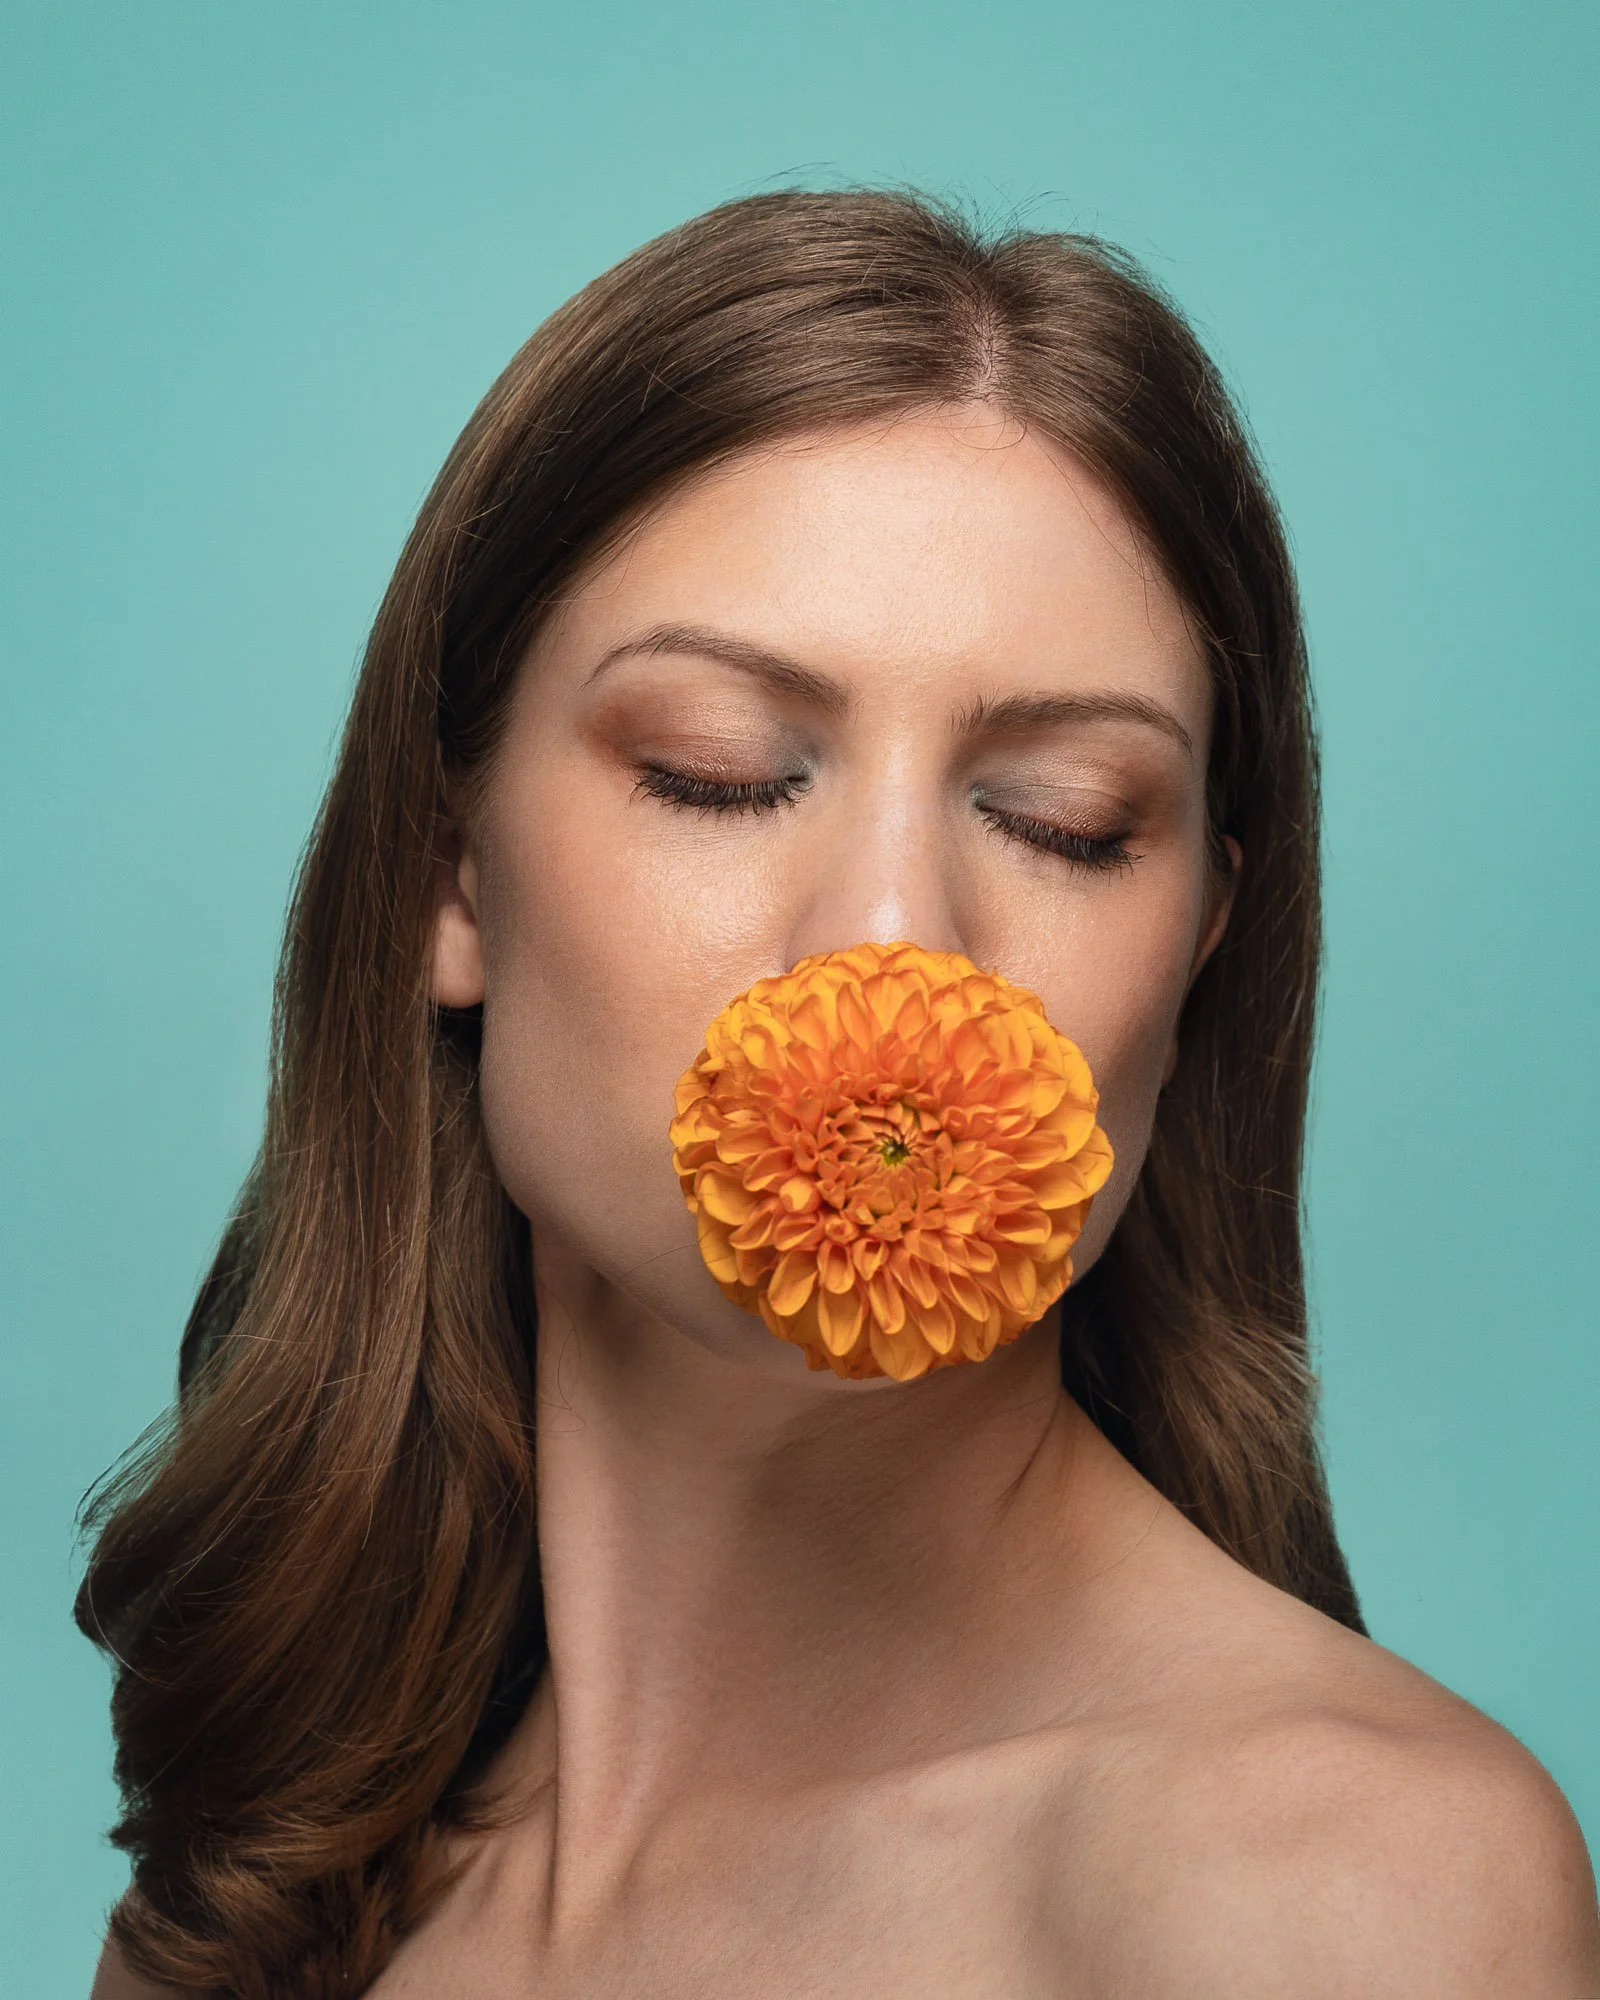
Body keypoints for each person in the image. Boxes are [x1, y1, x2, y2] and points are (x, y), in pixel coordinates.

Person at [84, 190, 1598, 1999]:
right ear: (449, 879)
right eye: (721, 776)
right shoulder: (274, 1914)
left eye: (1062, 821)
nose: (894, 936)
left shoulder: (1334, 1893)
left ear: (1195, 954)